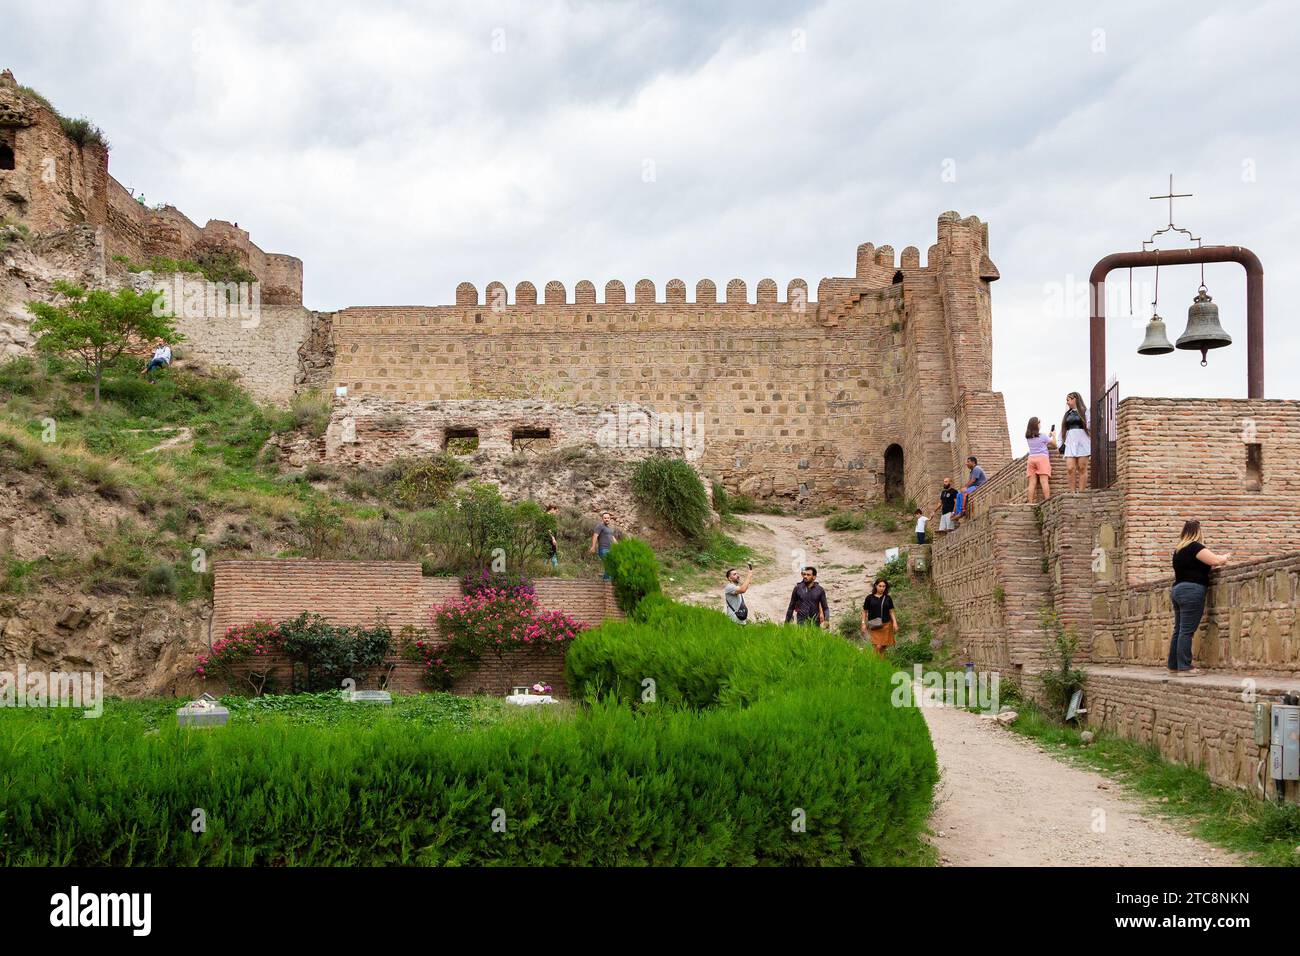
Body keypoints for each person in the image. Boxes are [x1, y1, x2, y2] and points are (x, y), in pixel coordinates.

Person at [1168, 519, 1231, 676]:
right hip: (1191, 590)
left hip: (1177, 590)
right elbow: (1216, 561)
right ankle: (1185, 667)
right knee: (1186, 631)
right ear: (1198, 532)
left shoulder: (1178, 550)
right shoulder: (1195, 546)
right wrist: (1225, 557)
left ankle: (1174, 665)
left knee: (1179, 629)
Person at [1061, 391, 1091, 493]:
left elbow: (1089, 425)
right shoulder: (1067, 415)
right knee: (1070, 468)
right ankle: (1072, 493)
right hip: (1070, 442)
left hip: (1083, 441)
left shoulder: (1085, 411)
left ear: (1075, 399)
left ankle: (1081, 493)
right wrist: (1060, 443)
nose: (1067, 402)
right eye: (1067, 400)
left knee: (1082, 467)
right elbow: (1063, 429)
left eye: (1069, 399)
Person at [861, 577, 898, 658]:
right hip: (874, 626)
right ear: (876, 586)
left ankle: (881, 664)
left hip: (886, 625)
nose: (882, 588)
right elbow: (864, 611)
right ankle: (872, 661)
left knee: (883, 648)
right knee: (878, 646)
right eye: (880, 586)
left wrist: (895, 623)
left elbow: (891, 611)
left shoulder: (888, 598)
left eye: (884, 586)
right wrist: (863, 623)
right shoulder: (869, 598)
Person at [1025, 417, 1057, 504]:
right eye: (1039, 423)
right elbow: (1054, 445)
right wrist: (1053, 436)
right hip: (1042, 459)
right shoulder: (1043, 436)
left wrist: (1048, 436)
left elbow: (1040, 441)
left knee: (1031, 484)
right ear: (1036, 425)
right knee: (1044, 481)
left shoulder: (1028, 437)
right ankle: (1047, 502)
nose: (1040, 425)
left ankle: (1030, 503)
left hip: (1031, 459)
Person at [589, 511, 619, 580]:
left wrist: (619, 547)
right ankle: (606, 581)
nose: (607, 519)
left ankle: (606, 581)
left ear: (610, 519)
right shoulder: (600, 526)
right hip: (603, 549)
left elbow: (613, 538)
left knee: (611, 565)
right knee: (609, 564)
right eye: (605, 518)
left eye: (608, 518)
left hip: (610, 550)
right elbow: (595, 536)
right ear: (602, 519)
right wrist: (593, 547)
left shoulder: (609, 529)